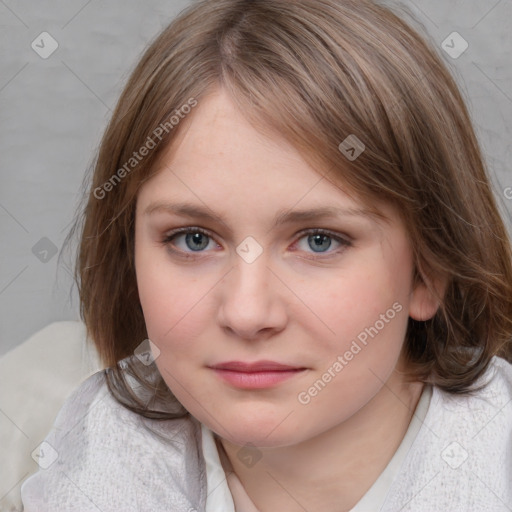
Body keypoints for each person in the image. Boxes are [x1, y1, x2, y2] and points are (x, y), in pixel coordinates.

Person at [21, 0, 512, 510]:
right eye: (193, 239)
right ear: (130, 264)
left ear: (428, 271)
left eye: (320, 240)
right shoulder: (77, 461)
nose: (247, 313)